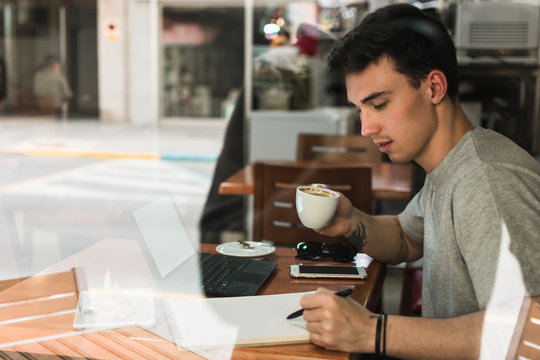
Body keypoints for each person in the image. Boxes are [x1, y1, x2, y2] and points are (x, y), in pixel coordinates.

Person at [299, 3, 540, 359]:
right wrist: (352, 223)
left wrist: (371, 331)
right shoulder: (449, 168)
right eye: (360, 110)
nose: (366, 128)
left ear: (434, 87)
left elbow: (531, 335)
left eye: (378, 104)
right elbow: (404, 238)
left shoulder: (486, 180)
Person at [33, 54, 73, 119]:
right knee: (65, 103)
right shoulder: (59, 76)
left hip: (40, 106)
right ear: (55, 65)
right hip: (55, 107)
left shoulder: (37, 76)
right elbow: (68, 93)